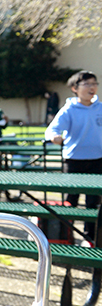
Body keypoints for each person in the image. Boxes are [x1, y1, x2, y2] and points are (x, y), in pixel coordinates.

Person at [45, 71, 102, 241]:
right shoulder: (68, 109)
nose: (92, 87)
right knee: (71, 202)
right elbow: (51, 129)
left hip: (97, 160)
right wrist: (54, 136)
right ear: (74, 88)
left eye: (94, 83)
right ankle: (66, 236)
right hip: (74, 161)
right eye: (87, 84)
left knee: (93, 203)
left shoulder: (100, 107)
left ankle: (89, 238)